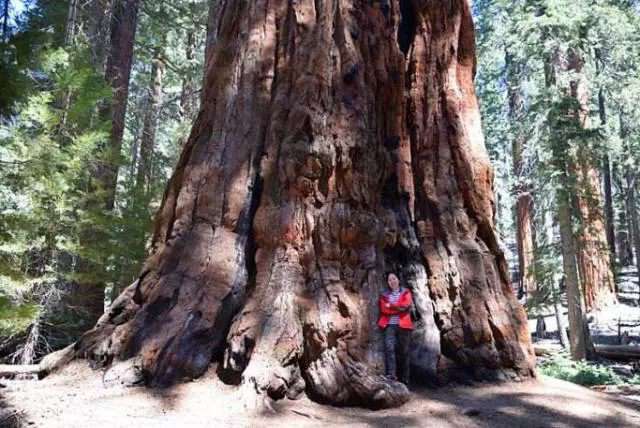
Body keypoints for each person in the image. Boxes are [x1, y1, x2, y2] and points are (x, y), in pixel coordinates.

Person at [378, 272, 413, 384]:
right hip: (390, 325)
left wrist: (391, 306)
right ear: (387, 283)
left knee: (404, 351)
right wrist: (397, 307)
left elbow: (406, 306)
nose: (392, 281)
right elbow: (384, 309)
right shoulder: (384, 295)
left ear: (398, 279)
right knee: (389, 349)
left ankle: (405, 378)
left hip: (404, 325)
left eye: (394, 278)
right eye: (389, 280)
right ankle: (392, 375)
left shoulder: (406, 292)